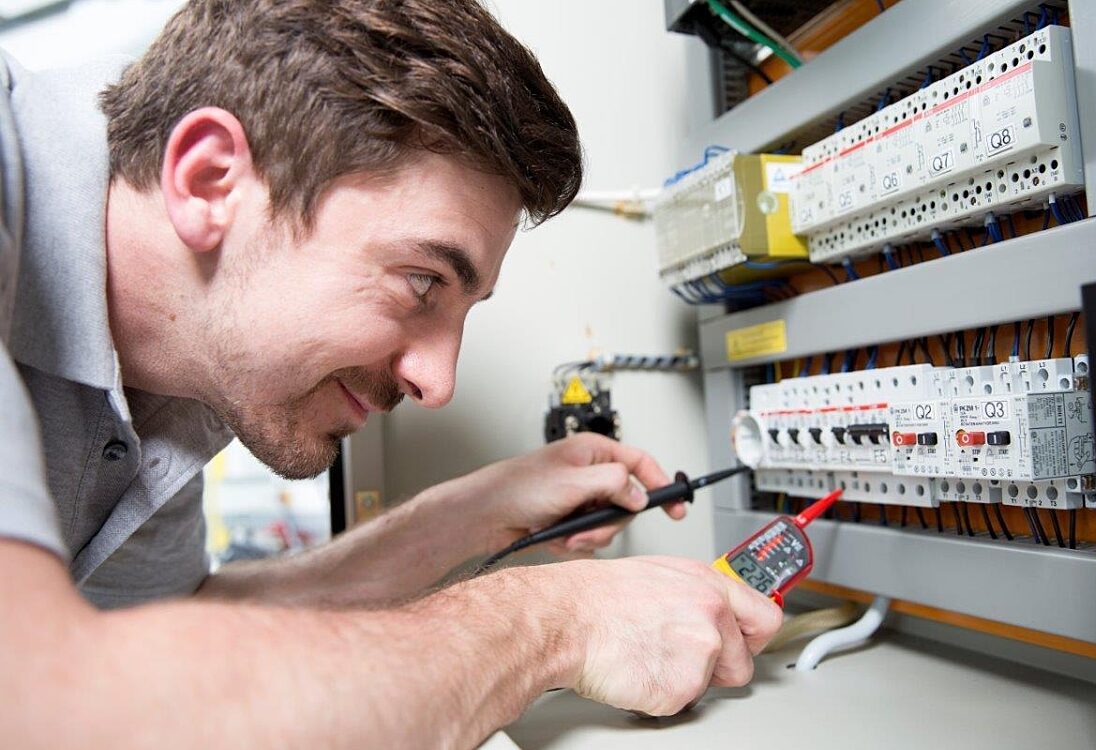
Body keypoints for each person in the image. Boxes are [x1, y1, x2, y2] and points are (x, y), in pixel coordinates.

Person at [0, 0, 782, 746]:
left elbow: (161, 628)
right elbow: (53, 707)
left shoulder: (179, 370)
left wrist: (468, 514)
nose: (438, 383)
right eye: (422, 283)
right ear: (211, 183)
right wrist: (551, 624)